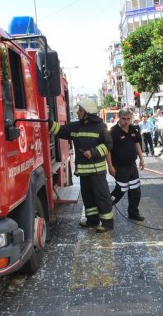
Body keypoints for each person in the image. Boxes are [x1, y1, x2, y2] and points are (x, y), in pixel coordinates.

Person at [49, 98, 114, 233]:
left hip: (97, 171)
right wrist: (48, 122)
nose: (78, 112)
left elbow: (108, 145)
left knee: (102, 196)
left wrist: (93, 152)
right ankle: (92, 220)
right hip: (84, 172)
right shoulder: (76, 126)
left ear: (88, 113)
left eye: (80, 110)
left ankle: (107, 223)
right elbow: (61, 131)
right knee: (88, 197)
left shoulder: (100, 127)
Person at [107, 109, 145, 221]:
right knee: (121, 189)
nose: (126, 121)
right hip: (119, 166)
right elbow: (108, 151)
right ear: (119, 117)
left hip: (132, 165)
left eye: (129, 119)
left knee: (135, 189)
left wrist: (141, 159)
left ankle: (133, 213)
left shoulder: (133, 129)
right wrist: (110, 166)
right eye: (124, 119)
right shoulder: (113, 131)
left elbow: (137, 143)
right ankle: (104, 209)